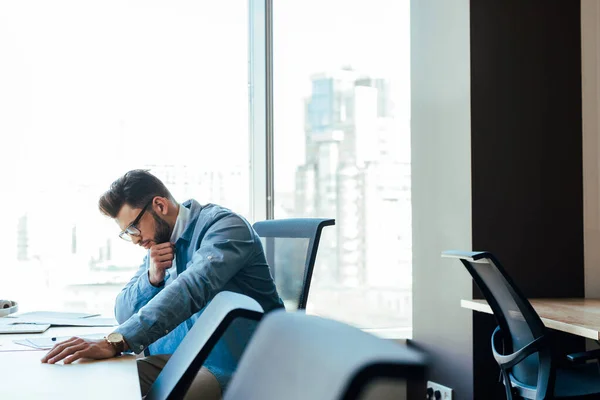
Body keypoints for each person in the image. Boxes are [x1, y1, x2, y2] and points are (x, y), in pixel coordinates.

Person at [41, 169, 284, 399]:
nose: (135, 240)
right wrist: (152, 278)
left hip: (234, 365)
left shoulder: (225, 228)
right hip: (180, 358)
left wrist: (116, 342)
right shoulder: (158, 245)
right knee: (92, 378)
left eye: (134, 228)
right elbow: (123, 312)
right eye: (127, 233)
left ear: (159, 205)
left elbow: (191, 289)